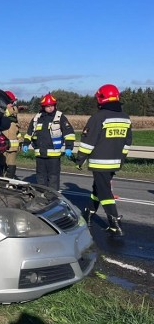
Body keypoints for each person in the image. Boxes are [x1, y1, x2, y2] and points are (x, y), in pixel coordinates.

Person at [76, 84, 132, 236]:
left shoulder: (98, 117)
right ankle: (87, 215)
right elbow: (127, 143)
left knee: (104, 192)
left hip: (99, 162)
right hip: (115, 162)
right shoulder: (126, 118)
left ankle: (114, 223)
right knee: (98, 189)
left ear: (101, 98)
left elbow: (89, 141)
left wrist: (80, 158)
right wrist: (122, 159)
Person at [22, 93, 75, 190]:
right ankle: (42, 197)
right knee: (41, 177)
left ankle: (53, 198)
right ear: (43, 107)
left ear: (55, 105)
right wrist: (25, 143)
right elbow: (29, 133)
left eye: (52, 106)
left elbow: (69, 134)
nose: (50, 108)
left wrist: (69, 147)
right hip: (40, 155)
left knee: (53, 178)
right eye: (48, 106)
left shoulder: (60, 117)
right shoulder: (37, 118)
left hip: (53, 156)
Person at [0, 90, 22, 178]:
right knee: (1, 166)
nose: (12, 104)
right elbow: (7, 112)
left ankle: (10, 182)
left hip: (12, 147)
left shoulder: (14, 115)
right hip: (2, 146)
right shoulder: (1, 112)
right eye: (10, 102)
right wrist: (16, 109)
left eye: (13, 102)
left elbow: (17, 130)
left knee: (11, 167)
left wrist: (20, 140)